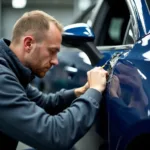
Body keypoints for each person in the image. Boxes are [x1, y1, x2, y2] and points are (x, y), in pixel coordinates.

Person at [0, 10, 108, 150]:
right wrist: (94, 92)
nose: (56, 61)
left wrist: (80, 92)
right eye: (52, 51)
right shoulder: (2, 78)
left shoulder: (13, 71)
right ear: (28, 44)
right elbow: (54, 136)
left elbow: (43, 103)